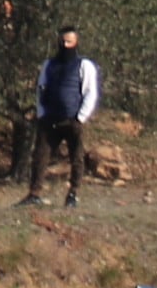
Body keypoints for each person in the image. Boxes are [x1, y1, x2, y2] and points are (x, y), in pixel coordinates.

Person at [23, 28, 102, 206]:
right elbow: (41, 89)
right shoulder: (49, 65)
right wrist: (42, 113)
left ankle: (73, 194)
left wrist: (80, 117)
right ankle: (34, 194)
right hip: (50, 119)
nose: (64, 45)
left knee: (76, 157)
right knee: (40, 156)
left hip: (72, 119)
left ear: (76, 43)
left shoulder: (84, 65)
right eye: (62, 41)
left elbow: (91, 93)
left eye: (69, 42)